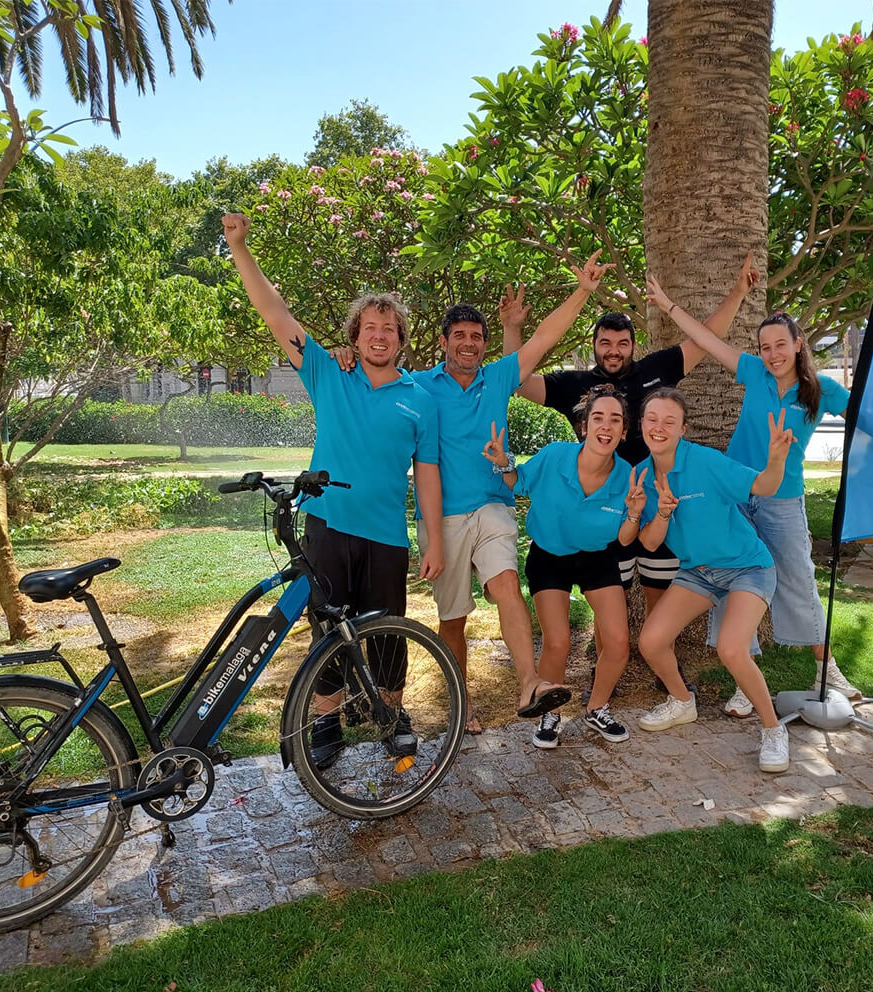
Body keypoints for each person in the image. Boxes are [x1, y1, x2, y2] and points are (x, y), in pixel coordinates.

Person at [222, 212, 445, 765]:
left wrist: (433, 540)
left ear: (401, 341)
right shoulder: (328, 373)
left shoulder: (421, 398)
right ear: (354, 337)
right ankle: (326, 722)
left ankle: (390, 713)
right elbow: (276, 314)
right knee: (326, 629)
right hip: (327, 526)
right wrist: (240, 249)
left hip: (387, 533)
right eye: (369, 327)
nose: (378, 335)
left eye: (389, 329)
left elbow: (429, 474)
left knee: (389, 631)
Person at [406, 253, 616, 731]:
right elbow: (376, 382)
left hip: (492, 505)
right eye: (458, 335)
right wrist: (347, 356)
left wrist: (583, 290)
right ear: (443, 342)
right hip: (441, 518)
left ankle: (530, 685)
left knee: (506, 589)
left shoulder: (498, 377)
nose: (468, 343)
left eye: (476, 337)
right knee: (454, 619)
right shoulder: (419, 385)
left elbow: (546, 337)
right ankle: (464, 706)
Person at [500, 255, 760, 621]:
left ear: (633, 346)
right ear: (594, 345)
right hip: (611, 509)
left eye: (622, 343)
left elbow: (706, 338)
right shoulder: (575, 385)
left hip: (657, 504)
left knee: (660, 594)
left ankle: (658, 658)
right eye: (606, 343)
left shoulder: (656, 368)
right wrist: (513, 330)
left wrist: (737, 294)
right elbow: (517, 378)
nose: (613, 351)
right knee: (614, 605)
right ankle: (610, 657)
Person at [646, 276, 858, 704]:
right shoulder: (754, 372)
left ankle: (827, 669)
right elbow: (707, 338)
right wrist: (669, 304)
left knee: (798, 580)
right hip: (737, 495)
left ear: (798, 344)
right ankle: (747, 676)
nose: (773, 354)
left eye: (781, 344)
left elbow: (867, 415)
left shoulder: (821, 390)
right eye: (766, 347)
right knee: (730, 577)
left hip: (782, 499)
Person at [631, 386, 797, 772]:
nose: (659, 427)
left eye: (669, 421)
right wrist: (663, 514)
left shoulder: (706, 462)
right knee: (651, 641)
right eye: (652, 419)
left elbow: (765, 486)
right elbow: (650, 542)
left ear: (683, 428)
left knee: (731, 649)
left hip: (747, 568)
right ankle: (681, 701)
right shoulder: (640, 473)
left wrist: (776, 460)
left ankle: (773, 728)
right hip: (698, 573)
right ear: (641, 425)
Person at [481, 386, 641, 748]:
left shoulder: (626, 475)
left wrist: (633, 511)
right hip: (550, 556)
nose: (606, 426)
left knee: (617, 642)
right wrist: (503, 460)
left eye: (615, 420)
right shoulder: (555, 456)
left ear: (624, 430)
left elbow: (627, 538)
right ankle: (549, 713)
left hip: (597, 557)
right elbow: (518, 482)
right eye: (598, 417)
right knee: (558, 641)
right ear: (584, 426)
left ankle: (597, 707)